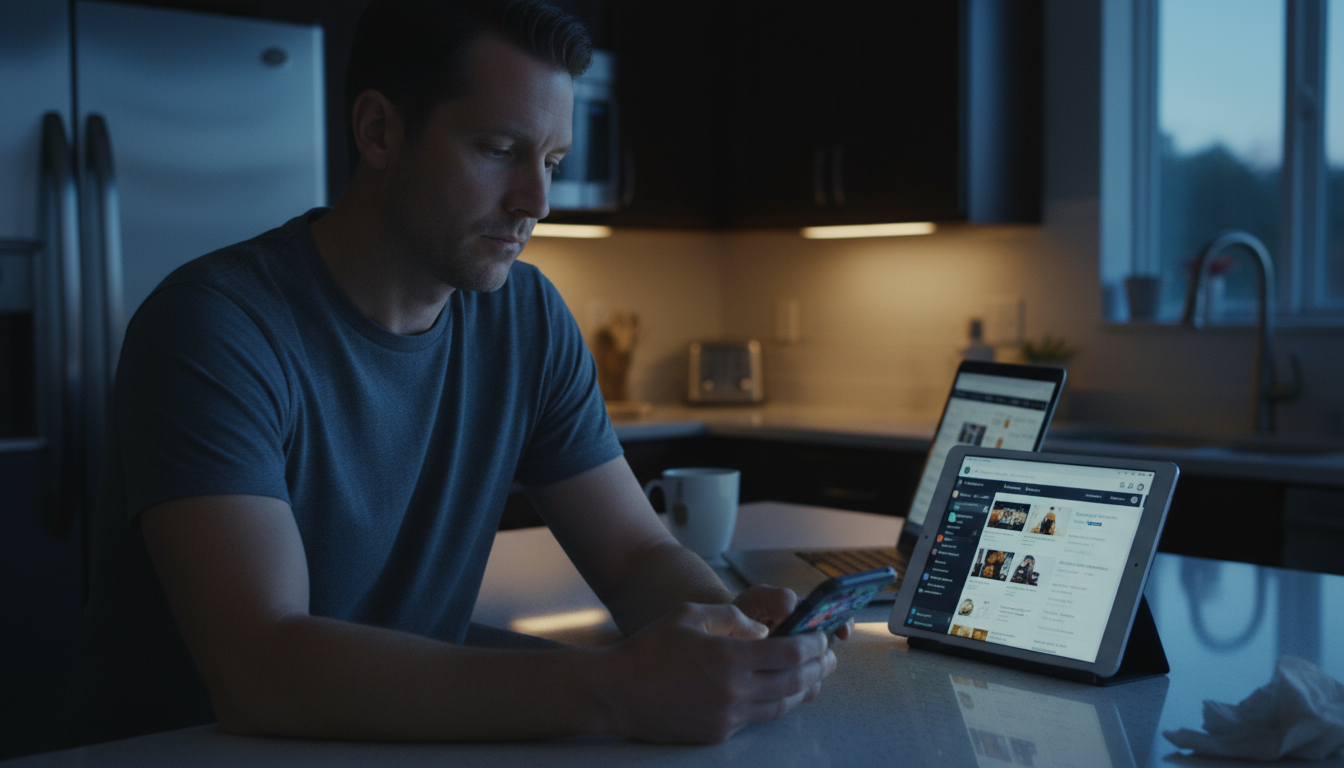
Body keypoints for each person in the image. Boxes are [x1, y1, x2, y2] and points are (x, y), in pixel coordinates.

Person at [67, 0, 840, 747]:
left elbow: (636, 556)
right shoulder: (217, 329)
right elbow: (262, 667)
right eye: (500, 150)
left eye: (553, 161)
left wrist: (728, 637)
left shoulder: (527, 319)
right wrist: (615, 688)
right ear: (378, 131)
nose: (536, 201)